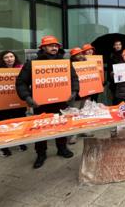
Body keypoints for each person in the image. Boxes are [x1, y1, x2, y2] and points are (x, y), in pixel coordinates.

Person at [16, 35, 79, 169]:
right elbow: (21, 82)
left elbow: (74, 78)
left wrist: (73, 92)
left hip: (61, 102)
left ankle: (62, 148)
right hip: (40, 103)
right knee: (41, 129)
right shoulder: (32, 64)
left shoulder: (65, 63)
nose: (54, 48)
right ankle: (41, 154)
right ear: (43, 47)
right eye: (51, 45)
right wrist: (27, 98)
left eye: (56, 46)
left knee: (61, 126)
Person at [0, 51, 27, 157]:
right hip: (1, 103)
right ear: (1, 59)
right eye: (6, 57)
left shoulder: (21, 68)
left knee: (19, 122)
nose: (9, 59)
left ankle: (19, 142)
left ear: (15, 58)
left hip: (17, 102)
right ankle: (3, 147)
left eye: (11, 56)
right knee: (2, 124)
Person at [107, 40, 124, 104]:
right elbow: (109, 68)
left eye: (119, 44)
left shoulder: (124, 54)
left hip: (123, 80)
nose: (118, 46)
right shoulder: (111, 55)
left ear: (121, 46)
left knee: (122, 98)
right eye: (116, 45)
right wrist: (110, 77)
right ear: (114, 46)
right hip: (114, 80)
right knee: (115, 97)